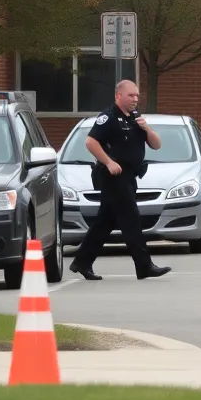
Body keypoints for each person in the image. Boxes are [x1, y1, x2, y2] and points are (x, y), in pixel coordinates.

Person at [68, 80, 172, 281]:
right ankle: (144, 266)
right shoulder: (108, 117)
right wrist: (108, 162)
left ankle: (82, 262)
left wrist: (147, 129)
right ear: (118, 96)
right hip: (114, 177)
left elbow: (156, 145)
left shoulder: (135, 118)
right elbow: (90, 142)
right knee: (131, 219)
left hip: (129, 176)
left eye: (137, 96)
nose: (135, 99)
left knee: (105, 222)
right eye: (131, 95)